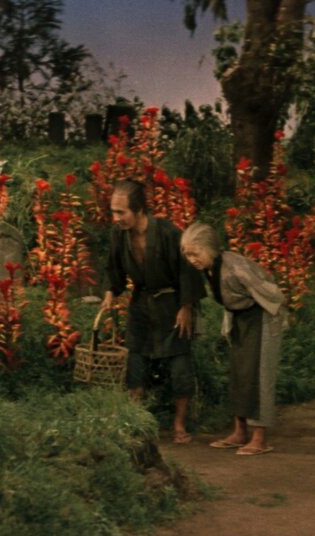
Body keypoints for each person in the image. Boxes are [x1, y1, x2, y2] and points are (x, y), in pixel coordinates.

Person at [102, 180, 205, 444]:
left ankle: (179, 424)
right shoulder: (119, 235)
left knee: (179, 364)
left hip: (172, 304)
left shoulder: (168, 232)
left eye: (121, 212)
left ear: (139, 210)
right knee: (135, 362)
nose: (116, 218)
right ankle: (136, 422)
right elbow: (114, 266)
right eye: (113, 212)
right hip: (141, 304)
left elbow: (187, 269)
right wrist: (111, 291)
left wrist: (186, 306)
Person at [179, 222, 284, 456]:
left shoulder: (236, 267)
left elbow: (273, 295)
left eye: (195, 253)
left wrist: (273, 324)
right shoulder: (209, 268)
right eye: (188, 254)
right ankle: (240, 432)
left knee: (258, 374)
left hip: (262, 316)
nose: (191, 259)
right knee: (239, 374)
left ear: (210, 249)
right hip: (240, 318)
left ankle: (260, 438)